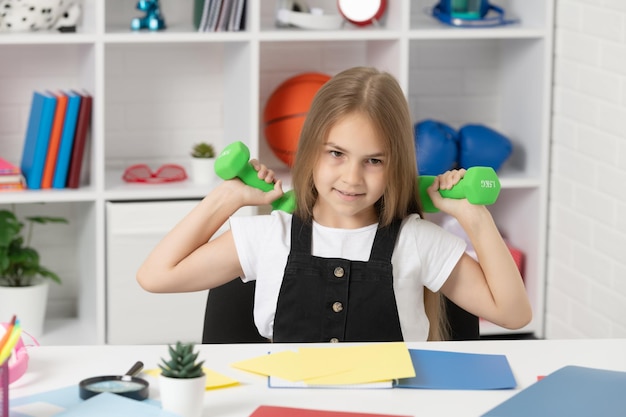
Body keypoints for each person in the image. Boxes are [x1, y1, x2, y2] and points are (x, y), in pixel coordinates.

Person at [137, 66, 532, 342]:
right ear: (309, 154)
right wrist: (227, 197)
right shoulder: (268, 236)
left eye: (374, 161)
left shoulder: (418, 242)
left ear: (396, 167)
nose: (352, 178)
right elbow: (155, 276)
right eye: (336, 154)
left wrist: (475, 218)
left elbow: (515, 315)